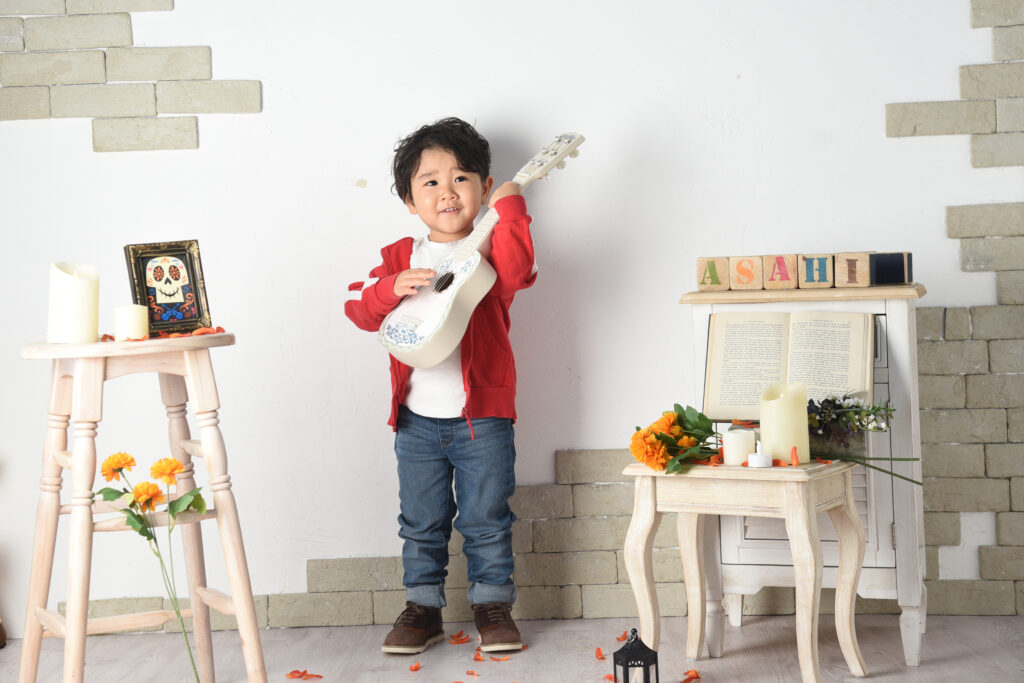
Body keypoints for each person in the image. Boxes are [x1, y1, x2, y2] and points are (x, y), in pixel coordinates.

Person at [345, 117, 536, 655]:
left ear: (482, 188)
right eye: (430, 181)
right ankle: (423, 607)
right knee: (421, 521)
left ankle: (492, 606)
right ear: (409, 199)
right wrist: (389, 289)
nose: (446, 191)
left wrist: (513, 206)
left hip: (485, 420)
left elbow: (519, 274)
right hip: (415, 421)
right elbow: (356, 305)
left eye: (461, 178)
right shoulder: (398, 258)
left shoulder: (493, 251)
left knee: (487, 519)